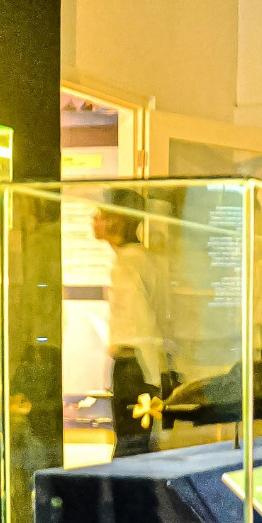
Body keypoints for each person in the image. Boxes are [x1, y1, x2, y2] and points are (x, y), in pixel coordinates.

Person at [95, 187, 166, 458]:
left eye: (103, 214)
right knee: (134, 445)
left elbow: (142, 321)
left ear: (119, 220)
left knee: (130, 449)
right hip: (137, 365)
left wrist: (150, 375)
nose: (96, 219)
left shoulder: (130, 262)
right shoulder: (135, 259)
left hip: (134, 366)